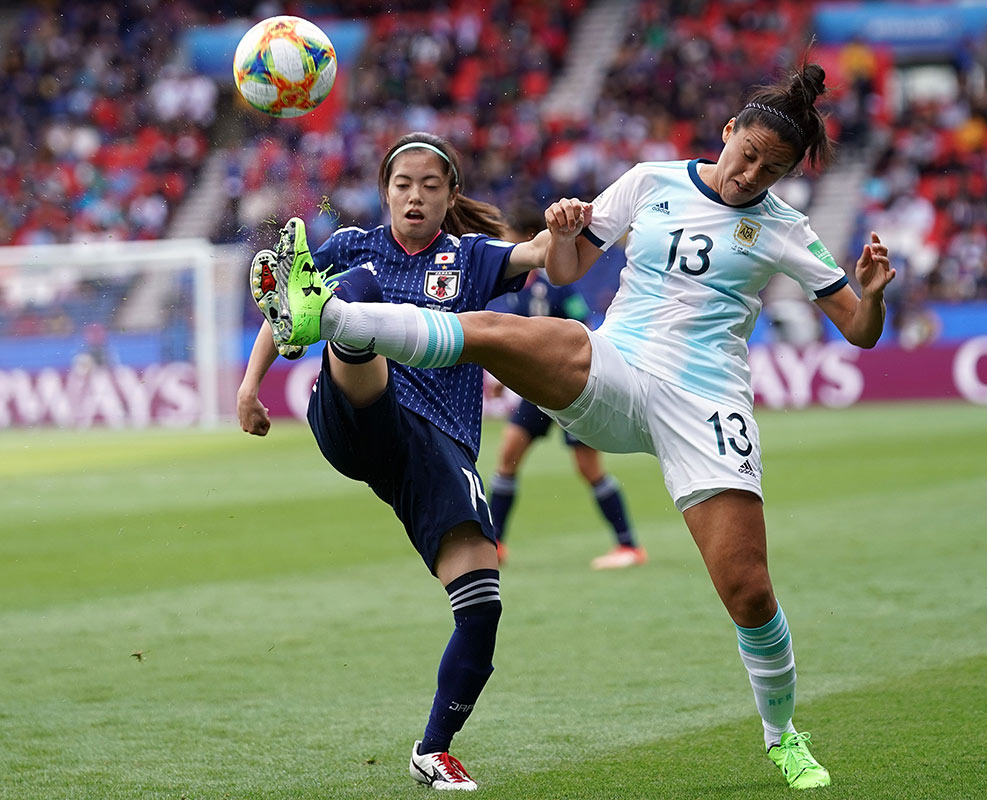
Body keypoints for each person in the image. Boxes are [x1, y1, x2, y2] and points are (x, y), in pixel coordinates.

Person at [255, 64, 895, 790]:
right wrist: (562, 232)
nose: (749, 174)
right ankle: (332, 317)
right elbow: (563, 272)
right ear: (726, 132)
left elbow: (860, 330)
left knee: (748, 589)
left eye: (769, 169)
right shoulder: (651, 180)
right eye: (745, 153)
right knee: (495, 330)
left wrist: (870, 297)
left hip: (706, 400)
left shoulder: (786, 230)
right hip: (616, 365)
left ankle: (782, 736)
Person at [238, 131, 557, 791]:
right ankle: (329, 317)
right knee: (355, 305)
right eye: (403, 184)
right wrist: (249, 387)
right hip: (356, 412)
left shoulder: (471, 258)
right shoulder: (355, 245)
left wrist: (574, 223)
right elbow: (278, 314)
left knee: (483, 604)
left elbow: (543, 252)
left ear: (450, 196)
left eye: (430, 186)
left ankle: (432, 750)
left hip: (436, 444)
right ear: (385, 193)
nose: (415, 195)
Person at [488, 207, 645, 570]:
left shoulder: (553, 283)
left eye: (510, 234)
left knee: (587, 467)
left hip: (571, 388)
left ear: (526, 237)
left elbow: (582, 325)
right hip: (536, 388)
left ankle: (629, 545)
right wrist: (502, 378)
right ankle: (494, 543)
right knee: (508, 455)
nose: (505, 242)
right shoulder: (516, 287)